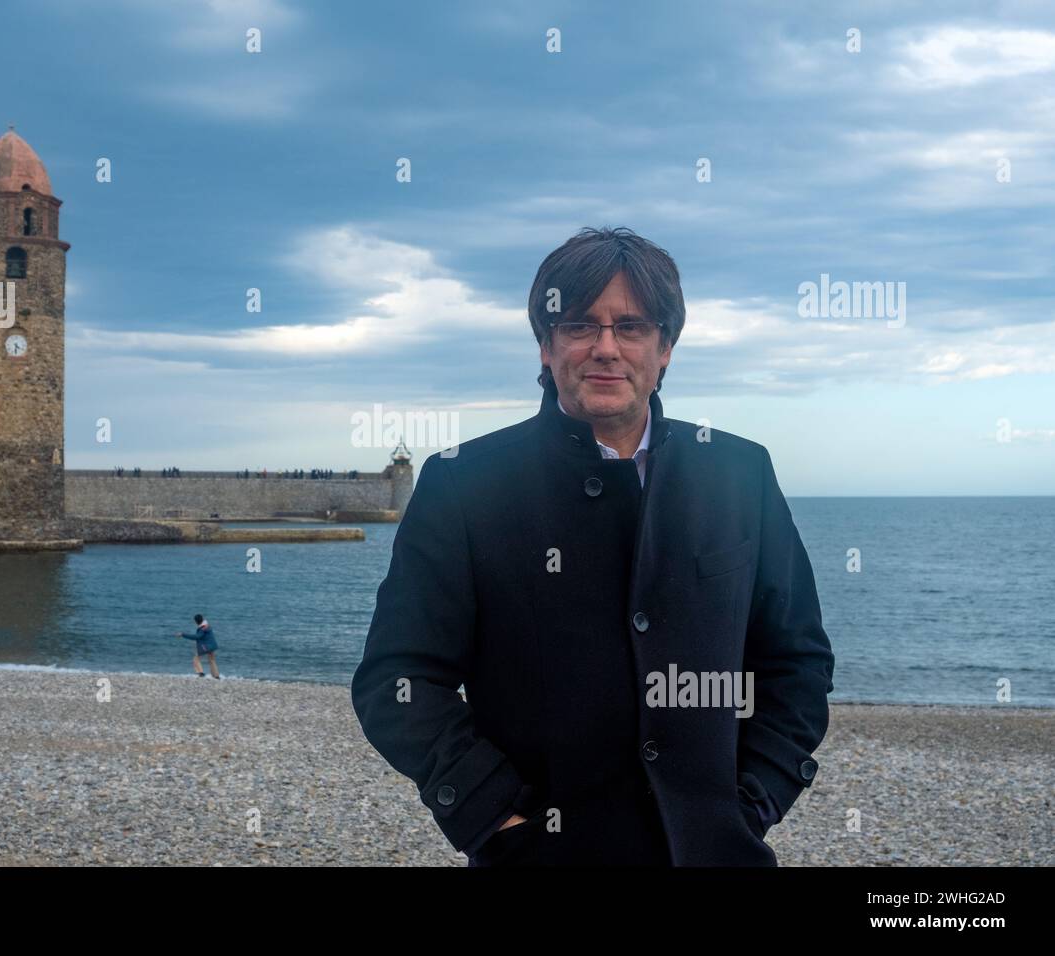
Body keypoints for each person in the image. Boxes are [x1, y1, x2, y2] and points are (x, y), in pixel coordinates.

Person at [351, 226, 835, 867]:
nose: (605, 348)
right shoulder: (464, 483)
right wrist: (497, 818)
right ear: (547, 348)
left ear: (665, 350)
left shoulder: (741, 473)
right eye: (580, 325)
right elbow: (397, 680)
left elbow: (796, 663)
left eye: (631, 326)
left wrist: (748, 806)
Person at [179, 614, 220, 679]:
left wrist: (183, 635)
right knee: (212, 660)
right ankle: (216, 676)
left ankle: (201, 673)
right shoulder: (207, 625)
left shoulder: (202, 629)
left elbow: (196, 637)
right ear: (202, 619)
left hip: (207, 646)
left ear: (196, 621)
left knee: (196, 659)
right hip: (212, 645)